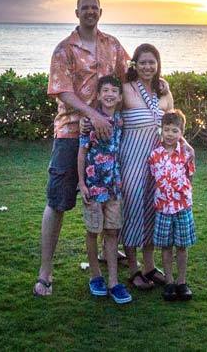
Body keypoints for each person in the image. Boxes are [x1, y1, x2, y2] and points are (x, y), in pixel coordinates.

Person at [33, 0, 129, 298]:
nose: (90, 11)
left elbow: (129, 76)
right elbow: (62, 91)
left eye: (94, 7)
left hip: (108, 135)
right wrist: (91, 115)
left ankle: (107, 262)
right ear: (77, 12)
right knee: (58, 201)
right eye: (84, 7)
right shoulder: (64, 49)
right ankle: (45, 273)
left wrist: (160, 84)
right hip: (71, 133)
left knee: (109, 197)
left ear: (101, 11)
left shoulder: (111, 45)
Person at [119, 43, 176, 290]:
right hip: (131, 158)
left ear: (158, 64)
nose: (147, 66)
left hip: (158, 162)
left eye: (151, 62)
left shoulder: (163, 90)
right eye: (142, 62)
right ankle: (133, 269)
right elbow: (110, 114)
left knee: (153, 210)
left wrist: (185, 149)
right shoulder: (126, 88)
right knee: (132, 209)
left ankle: (150, 266)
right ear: (135, 64)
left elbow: (173, 122)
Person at [78, 76, 131, 304]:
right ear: (98, 95)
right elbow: (81, 153)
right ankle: (95, 276)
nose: (109, 94)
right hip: (92, 184)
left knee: (112, 232)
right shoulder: (89, 121)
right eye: (105, 90)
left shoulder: (120, 120)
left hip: (114, 187)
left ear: (120, 97)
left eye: (114, 91)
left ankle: (113, 281)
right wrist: (81, 182)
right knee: (93, 231)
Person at [149, 108, 196, 302]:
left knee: (182, 246)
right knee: (166, 246)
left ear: (181, 133)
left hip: (182, 206)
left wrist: (182, 195)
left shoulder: (186, 153)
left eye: (174, 131)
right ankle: (168, 281)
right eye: (166, 129)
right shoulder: (154, 155)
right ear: (161, 130)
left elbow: (190, 175)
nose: (170, 134)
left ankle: (182, 281)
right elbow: (154, 177)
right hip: (163, 208)